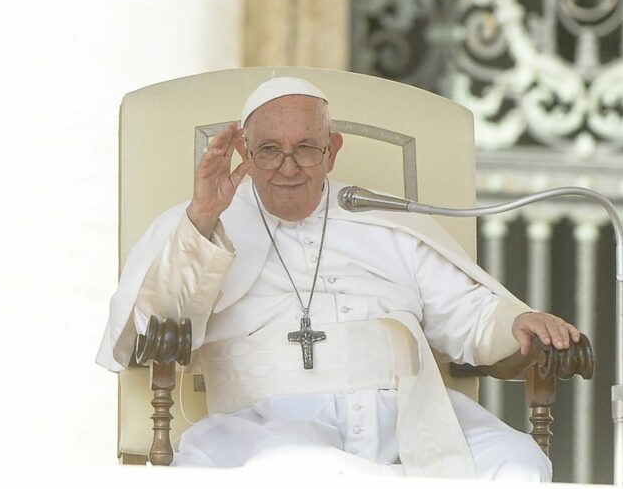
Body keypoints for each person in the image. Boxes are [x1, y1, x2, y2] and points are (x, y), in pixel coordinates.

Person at [96, 77, 580, 480]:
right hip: (270, 424)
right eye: (268, 150)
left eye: (306, 148)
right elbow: (153, 321)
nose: (288, 167)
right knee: (300, 471)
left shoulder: (382, 216)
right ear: (244, 149)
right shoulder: (202, 218)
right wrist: (203, 215)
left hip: (410, 415)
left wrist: (515, 323)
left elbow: (465, 312)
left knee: (516, 464)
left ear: (333, 151)